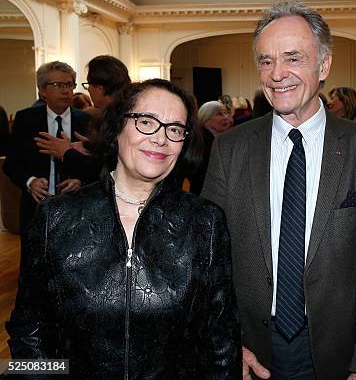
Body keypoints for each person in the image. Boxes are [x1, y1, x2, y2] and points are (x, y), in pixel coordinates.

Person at [6, 79, 241, 378]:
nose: (160, 138)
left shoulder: (204, 223)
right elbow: (29, 331)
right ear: (117, 128)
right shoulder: (56, 218)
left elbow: (220, 340)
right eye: (146, 122)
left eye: (174, 129)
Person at [202, 1, 356, 380]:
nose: (277, 74)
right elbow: (207, 261)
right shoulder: (230, 148)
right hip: (250, 349)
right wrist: (224, 342)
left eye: (292, 58)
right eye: (266, 61)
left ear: (324, 66)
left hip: (336, 353)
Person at [3, 61, 91, 254]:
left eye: (69, 84)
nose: (66, 91)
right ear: (43, 90)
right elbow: (11, 164)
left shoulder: (86, 120)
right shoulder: (26, 119)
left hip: (76, 208)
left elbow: (97, 166)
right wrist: (31, 181)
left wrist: (81, 181)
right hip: (37, 208)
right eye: (58, 85)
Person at [35, 55, 132, 184]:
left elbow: (109, 171)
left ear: (100, 88)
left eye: (88, 85)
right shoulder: (119, 112)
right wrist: (91, 147)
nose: (88, 90)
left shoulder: (121, 118)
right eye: (58, 85)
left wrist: (67, 153)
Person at [189, 100, 231, 195]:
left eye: (225, 113)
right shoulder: (202, 140)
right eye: (219, 114)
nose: (225, 117)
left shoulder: (219, 137)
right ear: (206, 119)